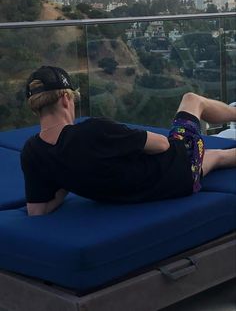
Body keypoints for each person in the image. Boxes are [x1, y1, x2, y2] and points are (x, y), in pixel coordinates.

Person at [21, 65, 236, 216]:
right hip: (178, 169)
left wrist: (65, 179)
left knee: (216, 157)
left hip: (175, 183)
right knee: (192, 100)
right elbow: (163, 144)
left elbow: (38, 210)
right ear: (66, 99)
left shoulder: (32, 151)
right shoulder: (93, 131)